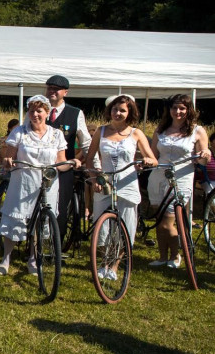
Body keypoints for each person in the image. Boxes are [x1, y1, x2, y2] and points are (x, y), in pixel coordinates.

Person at [0, 95, 80, 276]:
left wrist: (72, 162)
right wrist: (8, 160)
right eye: (32, 111)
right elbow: (8, 158)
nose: (35, 114)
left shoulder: (56, 134)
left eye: (39, 111)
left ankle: (34, 258)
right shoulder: (19, 132)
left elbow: (61, 163)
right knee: (14, 219)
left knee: (40, 222)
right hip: (23, 183)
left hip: (47, 184)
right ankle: (6, 258)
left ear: (47, 113)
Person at [84, 94, 156, 280]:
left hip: (127, 183)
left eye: (122, 110)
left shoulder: (136, 133)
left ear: (129, 112)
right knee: (102, 226)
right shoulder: (101, 131)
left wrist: (146, 160)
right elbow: (90, 157)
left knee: (125, 225)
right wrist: (94, 178)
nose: (118, 113)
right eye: (115, 109)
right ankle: (102, 263)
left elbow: (153, 160)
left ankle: (114, 265)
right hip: (105, 183)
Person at [147, 94, 211, 268]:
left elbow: (202, 159)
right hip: (158, 176)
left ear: (189, 110)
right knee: (159, 220)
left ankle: (175, 255)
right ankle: (162, 256)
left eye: (182, 108)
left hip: (181, 178)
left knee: (168, 220)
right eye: (174, 107)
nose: (178, 111)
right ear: (170, 110)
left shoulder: (197, 130)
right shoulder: (161, 128)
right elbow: (153, 155)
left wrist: (205, 154)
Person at [44, 75, 92, 242]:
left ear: (65, 92)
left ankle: (56, 244)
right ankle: (35, 245)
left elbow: (86, 142)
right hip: (39, 167)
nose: (52, 92)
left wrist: (94, 165)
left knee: (61, 207)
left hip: (63, 168)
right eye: (49, 88)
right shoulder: (37, 109)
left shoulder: (75, 113)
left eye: (56, 89)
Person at [0, 118, 19, 197]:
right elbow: (6, 158)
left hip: (7, 167)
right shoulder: (5, 141)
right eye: (16, 128)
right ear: (10, 129)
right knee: (14, 175)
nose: (18, 130)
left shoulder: (15, 140)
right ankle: (1, 195)